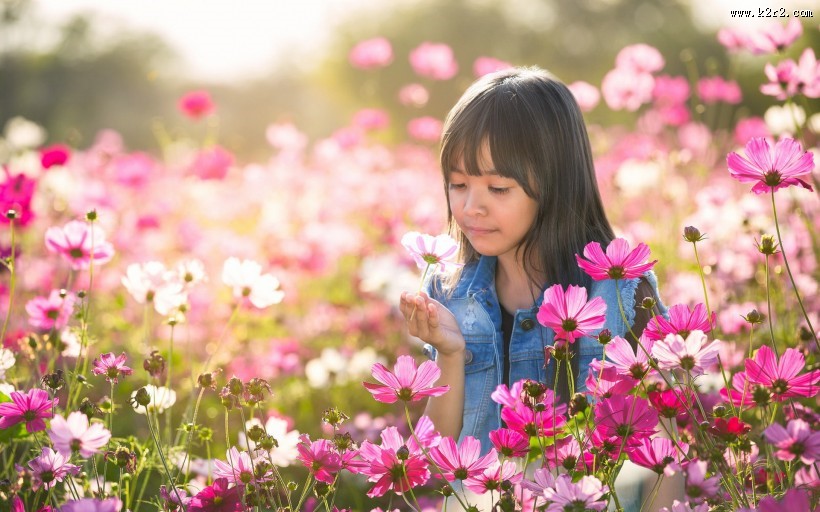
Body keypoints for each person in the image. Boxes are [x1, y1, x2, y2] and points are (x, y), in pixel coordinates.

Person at [398, 67, 667, 456]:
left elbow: (671, 442)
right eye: (458, 184)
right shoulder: (448, 290)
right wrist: (451, 353)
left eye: (498, 188)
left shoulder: (620, 297)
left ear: (555, 183)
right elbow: (434, 457)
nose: (471, 207)